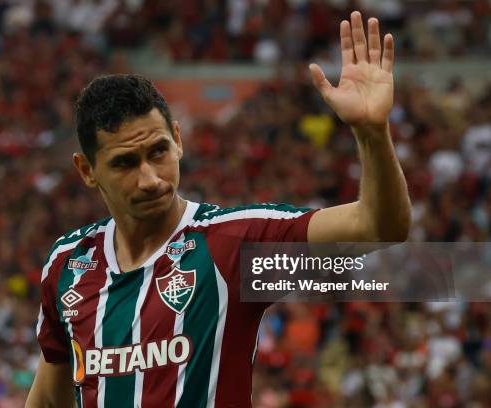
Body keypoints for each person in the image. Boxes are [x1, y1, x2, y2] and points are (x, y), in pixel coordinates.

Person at [25, 11, 411, 408]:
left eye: (158, 152)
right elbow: (50, 399)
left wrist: (372, 133)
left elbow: (378, 227)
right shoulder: (69, 264)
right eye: (125, 163)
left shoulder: (233, 244)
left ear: (178, 139)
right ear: (87, 170)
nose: (151, 179)